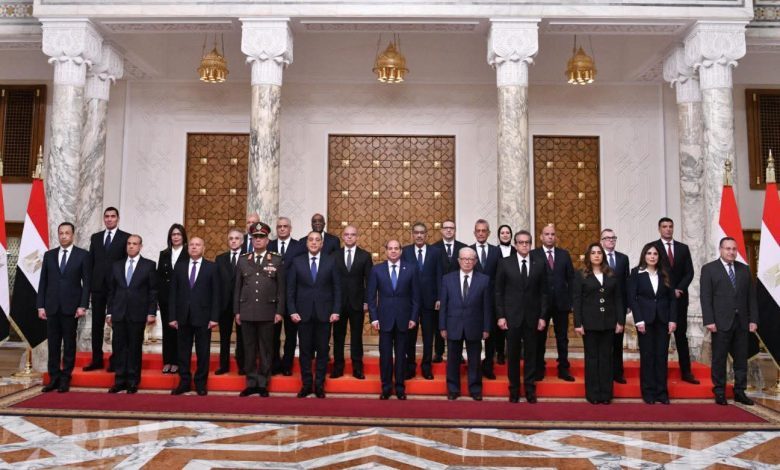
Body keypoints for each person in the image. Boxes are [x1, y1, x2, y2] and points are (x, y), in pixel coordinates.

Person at [700, 237, 759, 406]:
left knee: (741, 359)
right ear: (720, 249)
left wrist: (753, 319)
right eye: (728, 248)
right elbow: (706, 297)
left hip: (742, 323)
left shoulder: (744, 269)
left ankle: (740, 391)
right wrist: (709, 320)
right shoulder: (709, 269)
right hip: (720, 323)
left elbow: (751, 297)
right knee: (719, 359)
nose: (731, 252)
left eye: (734, 249)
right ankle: (719, 391)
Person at [287, 231, 341, 398]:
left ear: (322, 244)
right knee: (304, 351)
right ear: (307, 243)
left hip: (325, 313)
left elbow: (337, 288)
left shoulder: (331, 261)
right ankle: (306, 384)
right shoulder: (297, 261)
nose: (314, 242)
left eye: (317, 240)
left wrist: (336, 310)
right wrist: (292, 310)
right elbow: (291, 290)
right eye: (311, 239)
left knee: (323, 351)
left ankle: (319, 385)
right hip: (303, 314)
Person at [495, 230, 547, 404]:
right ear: (515, 245)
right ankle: (514, 390)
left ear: (531, 244)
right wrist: (501, 316)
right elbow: (498, 292)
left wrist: (543, 316)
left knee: (531, 355)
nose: (524, 245)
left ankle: (530, 389)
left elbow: (544, 293)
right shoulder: (505, 263)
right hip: (512, 317)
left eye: (527, 242)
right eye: (521, 242)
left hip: (533, 317)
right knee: (513, 355)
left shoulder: (539, 263)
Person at [38, 222, 90, 393]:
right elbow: (43, 282)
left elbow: (86, 283)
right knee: (53, 345)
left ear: (73, 235)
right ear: (58, 234)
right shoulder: (49, 255)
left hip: (71, 308)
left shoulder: (82, 255)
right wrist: (40, 306)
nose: (64, 236)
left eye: (67, 233)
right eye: (61, 233)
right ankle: (54, 378)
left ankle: (65, 378)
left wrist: (83, 305)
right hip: (51, 307)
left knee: (69, 345)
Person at [234, 222, 285, 397]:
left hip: (267, 311)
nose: (258, 240)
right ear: (251, 240)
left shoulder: (276, 259)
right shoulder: (243, 260)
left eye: (261, 237)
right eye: (255, 237)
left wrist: (279, 311)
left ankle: (263, 383)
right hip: (247, 310)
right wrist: (237, 311)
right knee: (248, 349)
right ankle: (251, 383)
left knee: (266, 349)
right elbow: (237, 288)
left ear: (267, 240)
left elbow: (281, 288)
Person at [367, 239, 420, 400]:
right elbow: (371, 297)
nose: (393, 251)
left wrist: (413, 317)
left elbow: (416, 297)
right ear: (386, 251)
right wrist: (373, 318)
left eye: (396, 248)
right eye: (390, 248)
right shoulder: (377, 270)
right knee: (385, 356)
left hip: (404, 319)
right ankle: (386, 387)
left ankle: (400, 388)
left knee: (401, 355)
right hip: (384, 320)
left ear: (401, 251)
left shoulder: (411, 269)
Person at [573, 242, 625, 404]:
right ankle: (593, 394)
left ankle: (606, 394)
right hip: (589, 323)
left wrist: (620, 321)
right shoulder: (581, 274)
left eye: (599, 253)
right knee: (592, 358)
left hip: (609, 322)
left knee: (606, 358)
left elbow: (618, 298)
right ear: (589, 256)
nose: (596, 255)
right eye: (593, 253)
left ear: (603, 256)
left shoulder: (611, 274)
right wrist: (578, 323)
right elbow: (577, 300)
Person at [106, 235, 158, 394]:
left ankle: (132, 381)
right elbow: (112, 291)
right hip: (119, 313)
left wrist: (151, 312)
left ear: (140, 246)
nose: (131, 246)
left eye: (134, 244)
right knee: (119, 348)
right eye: (129, 243)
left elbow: (153, 291)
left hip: (138, 313)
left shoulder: (149, 265)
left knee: (134, 348)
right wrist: (109, 312)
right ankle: (119, 381)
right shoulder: (116, 265)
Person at [169, 237, 220, 396]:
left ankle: (200, 383)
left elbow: (216, 294)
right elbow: (173, 293)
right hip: (183, 316)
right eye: (191, 245)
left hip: (204, 317)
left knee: (203, 352)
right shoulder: (180, 267)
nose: (194, 247)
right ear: (187, 248)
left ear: (203, 248)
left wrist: (214, 317)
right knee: (183, 352)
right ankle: (184, 382)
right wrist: (172, 316)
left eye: (198, 245)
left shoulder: (212, 267)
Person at [627, 243, 676, 404]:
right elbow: (632, 298)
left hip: (663, 320)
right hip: (645, 321)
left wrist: (672, 319)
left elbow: (672, 299)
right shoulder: (636, 273)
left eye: (655, 254)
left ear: (659, 256)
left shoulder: (665, 273)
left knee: (661, 356)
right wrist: (638, 320)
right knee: (647, 356)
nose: (652, 256)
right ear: (644, 255)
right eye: (649, 253)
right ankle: (648, 392)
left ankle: (662, 392)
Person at [439, 247, 491, 400]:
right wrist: (442, 326)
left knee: (474, 360)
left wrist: (486, 327)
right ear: (458, 260)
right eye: (464, 259)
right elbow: (444, 305)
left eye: (470, 259)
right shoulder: (447, 279)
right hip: (453, 325)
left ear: (475, 261)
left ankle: (475, 389)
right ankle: (453, 389)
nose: (467, 262)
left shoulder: (484, 280)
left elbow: (487, 307)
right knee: (453, 359)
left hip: (475, 325)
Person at [652, 217, 699, 384]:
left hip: (680, 300)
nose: (668, 229)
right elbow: (652, 272)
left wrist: (679, 289)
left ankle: (686, 372)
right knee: (661, 339)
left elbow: (689, 272)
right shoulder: (653, 248)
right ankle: (660, 373)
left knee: (681, 336)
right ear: (659, 229)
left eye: (670, 226)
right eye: (664, 226)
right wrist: (669, 291)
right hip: (661, 300)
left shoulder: (683, 248)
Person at [84, 207, 130, 372]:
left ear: (118, 218)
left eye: (113, 216)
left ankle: (116, 360)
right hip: (98, 287)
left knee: (117, 325)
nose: (109, 219)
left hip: (116, 288)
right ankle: (97, 359)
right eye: (107, 216)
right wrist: (89, 287)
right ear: (104, 219)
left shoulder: (125, 237)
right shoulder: (96, 237)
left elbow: (126, 263)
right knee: (96, 324)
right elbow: (90, 263)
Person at [531, 223, 575, 382]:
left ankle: (563, 368)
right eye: (547, 234)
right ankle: (538, 369)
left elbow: (571, 279)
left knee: (562, 338)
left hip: (561, 304)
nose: (550, 237)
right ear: (541, 237)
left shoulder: (564, 254)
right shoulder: (533, 254)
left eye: (552, 234)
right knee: (539, 338)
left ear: (555, 237)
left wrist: (571, 301)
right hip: (540, 305)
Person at [402, 222, 442, 380]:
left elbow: (439, 275)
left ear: (426, 235)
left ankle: (426, 367)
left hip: (429, 301)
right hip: (409, 302)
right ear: (412, 234)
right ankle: (410, 366)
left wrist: (439, 297)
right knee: (409, 337)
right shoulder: (405, 251)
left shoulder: (435, 252)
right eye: (416, 232)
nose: (419, 235)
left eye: (422, 233)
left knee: (428, 336)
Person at [332, 225, 372, 379]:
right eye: (347, 234)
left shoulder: (365, 256)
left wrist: (367, 301)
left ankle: (357, 368)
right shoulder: (334, 255)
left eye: (352, 234)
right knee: (338, 336)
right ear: (343, 237)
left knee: (356, 337)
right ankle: (338, 367)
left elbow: (369, 281)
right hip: (338, 303)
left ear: (357, 237)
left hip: (357, 303)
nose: (349, 237)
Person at [268, 216, 304, 376]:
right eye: (279, 226)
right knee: (273, 334)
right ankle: (274, 363)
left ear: (290, 228)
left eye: (285, 226)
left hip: (292, 296)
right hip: (273, 296)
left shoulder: (299, 246)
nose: (282, 229)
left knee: (291, 334)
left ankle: (287, 364)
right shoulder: (269, 245)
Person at [471, 219, 501, 379]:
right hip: (473, 301)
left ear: (488, 233)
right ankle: (475, 366)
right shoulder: (467, 251)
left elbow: (500, 275)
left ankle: (488, 365)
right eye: (478, 230)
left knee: (491, 335)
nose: (481, 233)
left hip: (492, 300)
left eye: (484, 231)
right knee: (473, 334)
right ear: (474, 233)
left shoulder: (496, 251)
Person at [432, 220, 466, 363]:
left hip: (458, 293)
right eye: (446, 228)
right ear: (441, 230)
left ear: (455, 230)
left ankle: (458, 353)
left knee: (457, 323)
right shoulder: (433, 248)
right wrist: (438, 297)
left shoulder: (463, 247)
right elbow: (432, 274)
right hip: (440, 293)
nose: (448, 230)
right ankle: (438, 352)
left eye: (451, 228)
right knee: (439, 323)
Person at [157, 223, 188, 375]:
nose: (176, 237)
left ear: (183, 237)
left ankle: (177, 361)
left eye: (178, 234)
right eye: (173, 234)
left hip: (183, 298)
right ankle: (167, 361)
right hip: (165, 298)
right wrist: (157, 299)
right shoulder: (163, 253)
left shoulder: (189, 253)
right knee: (167, 329)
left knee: (180, 330)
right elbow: (159, 277)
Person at [601, 228, 630, 384]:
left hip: (619, 305)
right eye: (607, 238)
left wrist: (628, 304)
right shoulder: (597, 257)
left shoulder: (623, 258)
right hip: (602, 305)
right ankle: (604, 372)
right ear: (602, 241)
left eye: (613, 238)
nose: (611, 240)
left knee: (618, 341)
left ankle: (618, 373)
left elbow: (627, 282)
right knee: (604, 342)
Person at [215, 228, 245, 375]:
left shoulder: (248, 258)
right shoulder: (220, 259)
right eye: (231, 238)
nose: (233, 241)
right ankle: (224, 365)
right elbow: (217, 283)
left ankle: (242, 365)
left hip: (243, 304)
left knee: (242, 337)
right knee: (224, 337)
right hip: (224, 305)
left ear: (242, 241)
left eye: (236, 238)